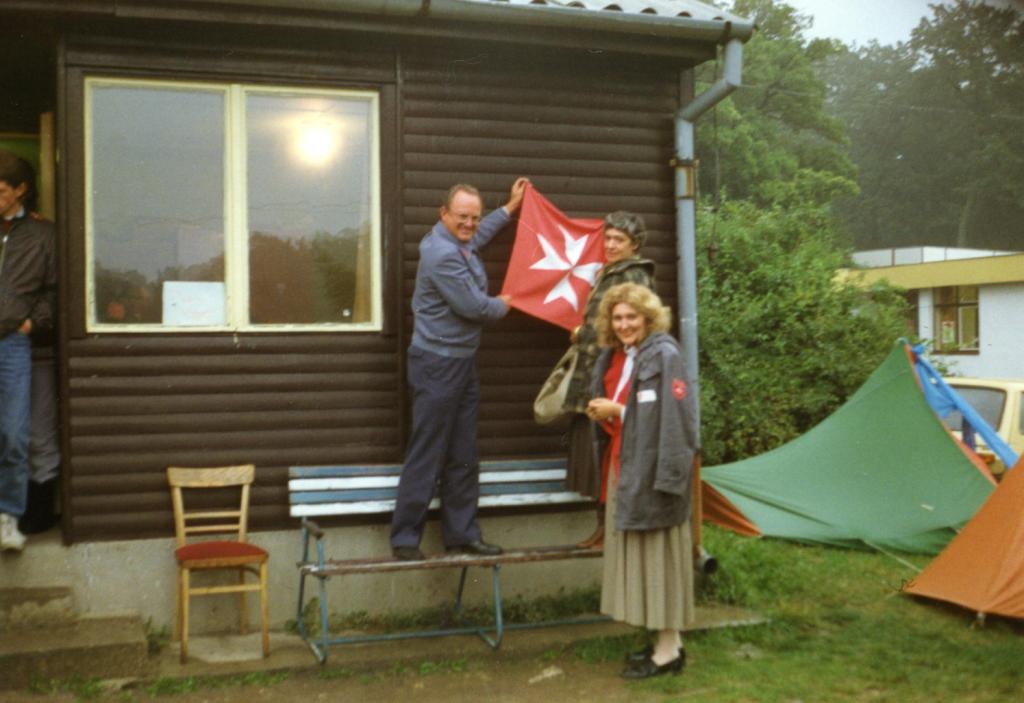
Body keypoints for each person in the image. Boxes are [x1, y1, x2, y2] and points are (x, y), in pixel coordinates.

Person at [389, 178, 529, 561]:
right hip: (436, 365)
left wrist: (509, 209)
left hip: (461, 362)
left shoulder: (457, 241)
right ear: (443, 214)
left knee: (464, 451)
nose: (469, 224)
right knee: (427, 451)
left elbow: (477, 236)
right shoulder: (441, 254)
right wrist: (511, 300)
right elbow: (477, 309)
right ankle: (404, 540)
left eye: (474, 217)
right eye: (462, 217)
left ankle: (462, 535)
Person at [586, 283, 697, 679]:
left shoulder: (665, 354)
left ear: (648, 317)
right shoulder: (621, 356)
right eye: (617, 318)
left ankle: (667, 654)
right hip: (627, 467)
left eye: (631, 316)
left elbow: (678, 418)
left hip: (653, 474)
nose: (624, 324)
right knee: (646, 559)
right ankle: (668, 644)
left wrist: (617, 408)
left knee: (659, 560)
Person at [564, 212, 654, 549]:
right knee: (595, 450)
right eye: (608, 238)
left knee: (607, 450)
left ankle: (611, 529)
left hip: (616, 374)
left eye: (619, 240)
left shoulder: (634, 276)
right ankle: (603, 527)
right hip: (597, 371)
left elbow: (631, 327)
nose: (611, 244)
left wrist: (583, 332)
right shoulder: (612, 272)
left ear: (635, 244)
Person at [0, 150, 57, 552]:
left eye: (0, 190)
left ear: (21, 191)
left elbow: (55, 290)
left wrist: (29, 323)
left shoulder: (42, 235)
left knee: (14, 434)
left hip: (13, 343)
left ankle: (8, 519)